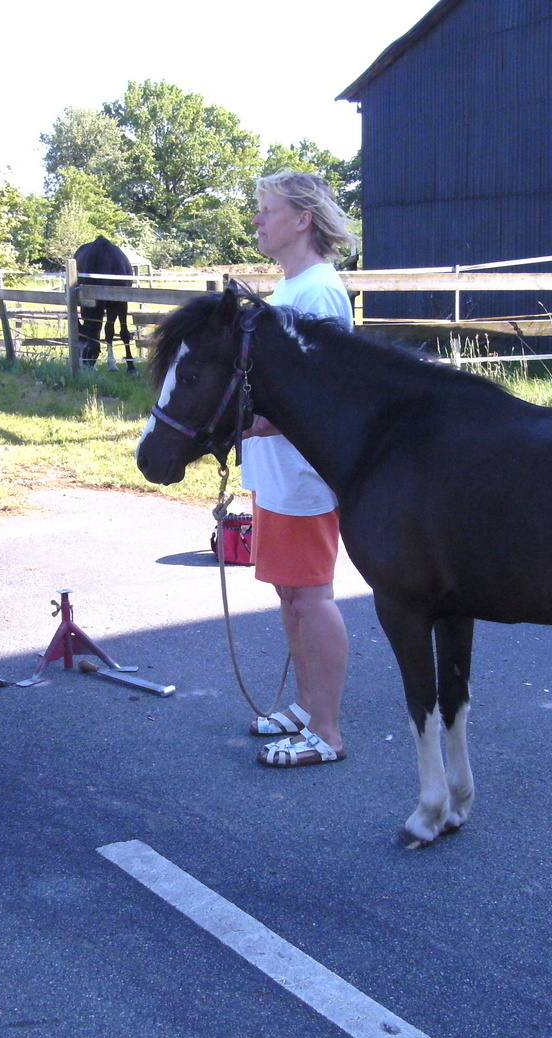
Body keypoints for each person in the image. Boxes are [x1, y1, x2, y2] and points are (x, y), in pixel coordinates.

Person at [243, 171, 356, 768]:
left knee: (311, 598)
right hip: (275, 474)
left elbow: (328, 397)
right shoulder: (289, 289)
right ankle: (307, 708)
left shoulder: (318, 293)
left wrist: (258, 422)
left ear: (302, 219)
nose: (258, 220)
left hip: (304, 478)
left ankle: (329, 731)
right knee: (290, 594)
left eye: (267, 210)